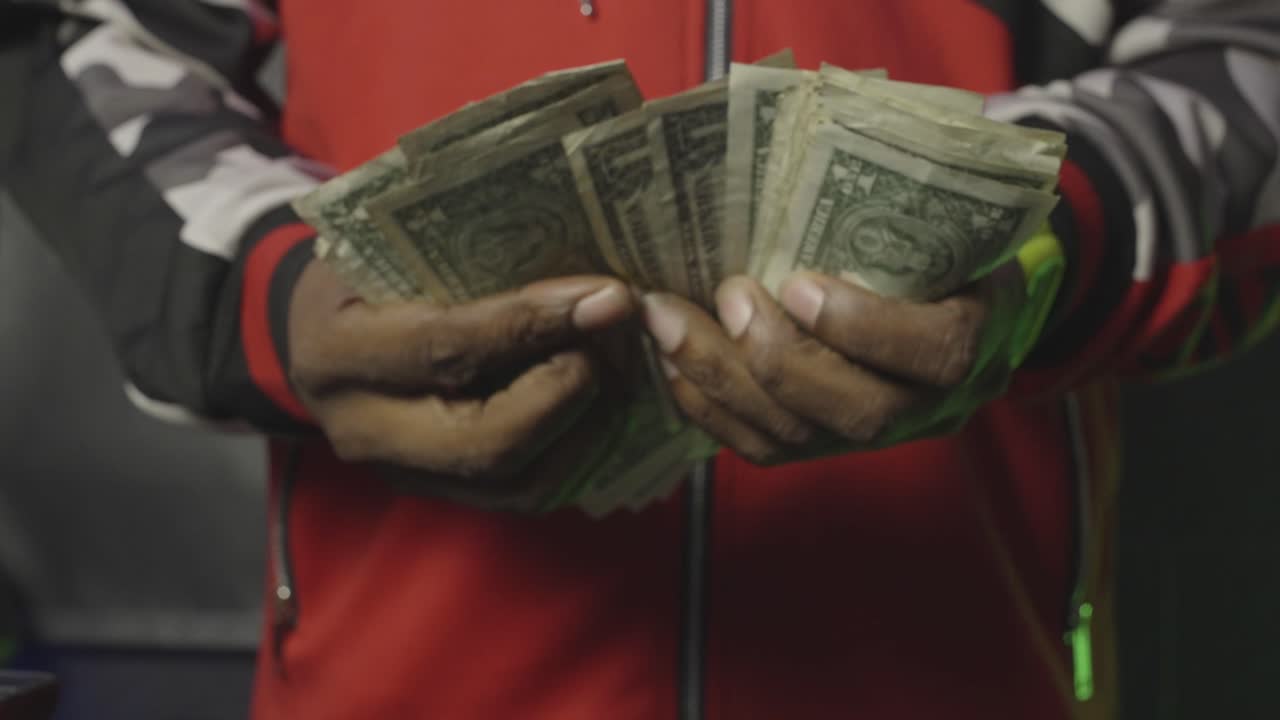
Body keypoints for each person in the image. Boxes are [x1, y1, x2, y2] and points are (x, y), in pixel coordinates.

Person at [1, 0, 1277, 717]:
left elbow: (1249, 59)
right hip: (400, 682)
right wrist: (271, 299)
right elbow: (85, 46)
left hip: (959, 670)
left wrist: (1041, 243)